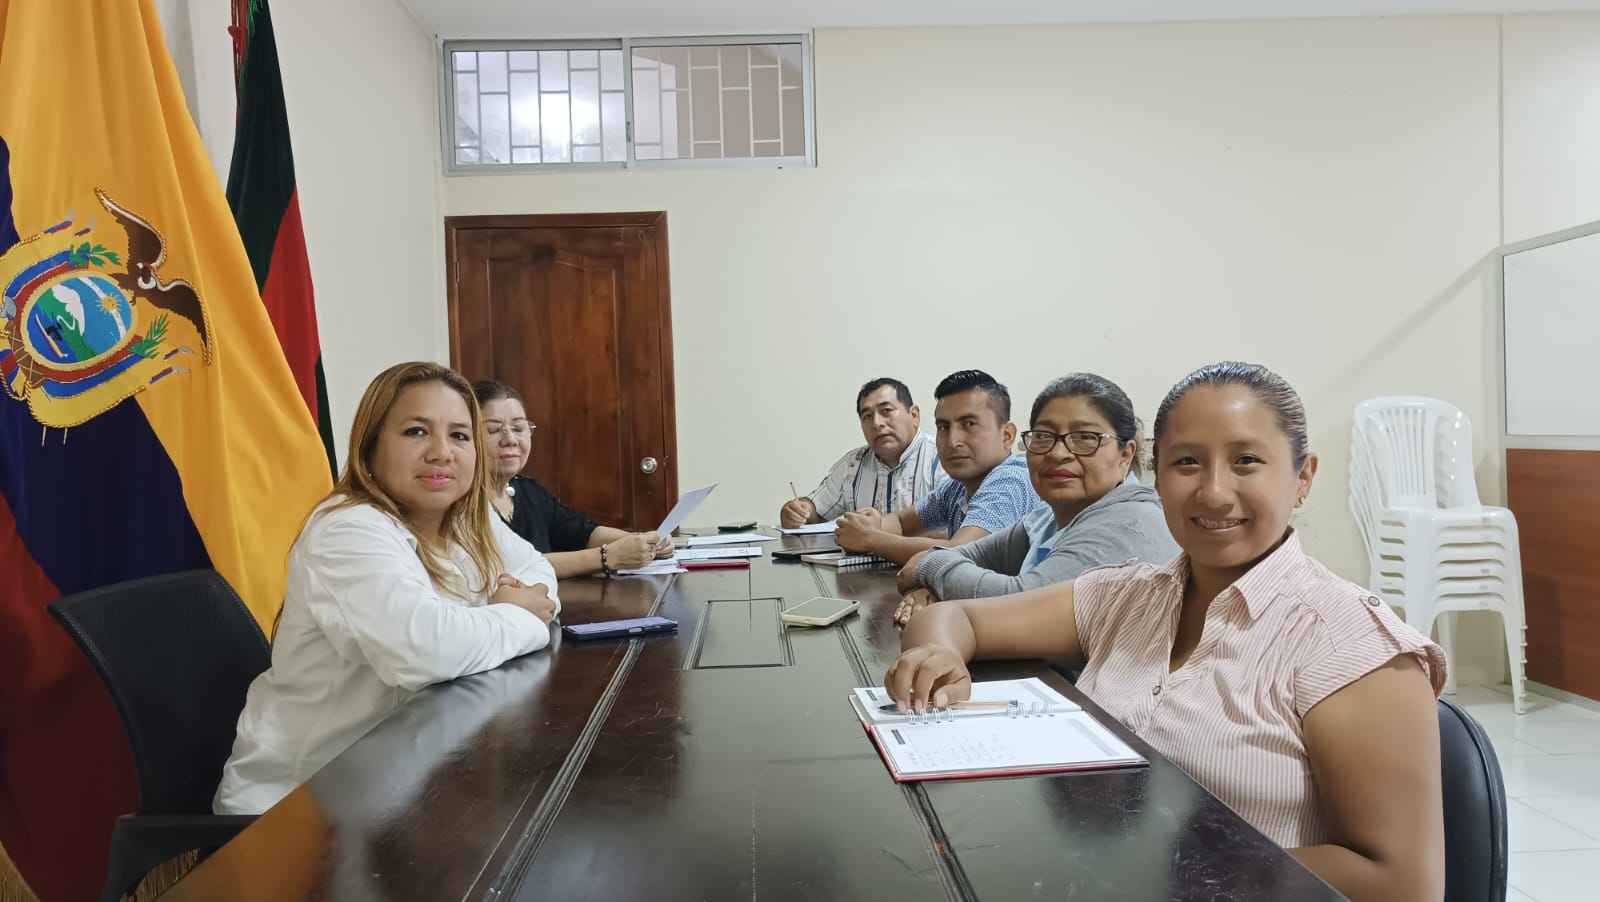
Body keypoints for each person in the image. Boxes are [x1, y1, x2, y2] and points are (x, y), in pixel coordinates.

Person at [885, 361, 1447, 902]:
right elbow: (956, 618)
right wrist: (939, 655)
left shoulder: (1352, 644)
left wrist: (1172, 871)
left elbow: (1400, 883)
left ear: (1302, 477)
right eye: (1187, 462)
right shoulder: (1124, 597)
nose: (1214, 492)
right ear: (1156, 478)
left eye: (1247, 461)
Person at [216, 362, 561, 816]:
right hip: (300, 806)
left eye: (460, 436)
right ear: (371, 445)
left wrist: (513, 609)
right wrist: (520, 615)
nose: (441, 452)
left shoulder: (462, 519)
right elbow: (426, 650)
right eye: (417, 432)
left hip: (404, 782)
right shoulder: (347, 529)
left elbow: (537, 570)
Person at [893, 373, 1179, 625]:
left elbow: (1021, 602)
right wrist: (933, 586)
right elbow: (973, 555)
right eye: (1044, 436)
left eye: (1084, 437)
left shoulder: (1129, 523)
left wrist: (930, 569)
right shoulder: (1048, 517)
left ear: (1125, 455)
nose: (1058, 453)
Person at [835, 370, 1039, 565]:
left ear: (1007, 435)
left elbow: (960, 552)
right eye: (943, 427)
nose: (952, 441)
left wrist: (871, 539)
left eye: (969, 424)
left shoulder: (1011, 479)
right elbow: (901, 523)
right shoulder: (956, 488)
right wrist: (874, 523)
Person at [473, 381, 671, 577]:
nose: (510, 439)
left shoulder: (529, 491)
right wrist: (607, 557)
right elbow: (518, 565)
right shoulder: (466, 505)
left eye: (518, 428)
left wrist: (643, 542)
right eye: (493, 430)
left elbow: (581, 533)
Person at [779, 377, 943, 527]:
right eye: (867, 416)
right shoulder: (853, 463)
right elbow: (815, 509)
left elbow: (952, 531)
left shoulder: (942, 458)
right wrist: (798, 512)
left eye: (886, 411)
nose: (877, 423)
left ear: (914, 415)